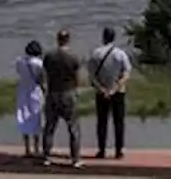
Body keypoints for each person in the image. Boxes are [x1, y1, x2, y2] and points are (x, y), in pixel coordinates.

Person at [41, 28, 83, 168]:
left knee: (49, 127)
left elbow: (45, 74)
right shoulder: (73, 56)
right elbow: (76, 76)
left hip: (53, 93)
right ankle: (75, 158)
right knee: (73, 127)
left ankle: (46, 156)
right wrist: (77, 90)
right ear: (68, 39)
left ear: (57, 39)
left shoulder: (49, 56)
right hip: (68, 93)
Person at [88, 27, 132, 160]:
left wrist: (101, 89)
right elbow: (126, 73)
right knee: (119, 122)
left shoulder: (96, 53)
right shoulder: (120, 54)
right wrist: (115, 88)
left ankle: (101, 150)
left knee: (102, 122)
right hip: (118, 92)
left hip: (101, 92)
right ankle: (119, 151)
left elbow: (91, 76)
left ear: (103, 37)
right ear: (114, 38)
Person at [14, 40, 45, 156]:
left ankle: (27, 148)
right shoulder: (39, 63)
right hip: (35, 92)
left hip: (22, 91)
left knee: (23, 118)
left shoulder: (19, 61)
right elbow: (42, 78)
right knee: (36, 119)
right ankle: (37, 148)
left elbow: (18, 73)